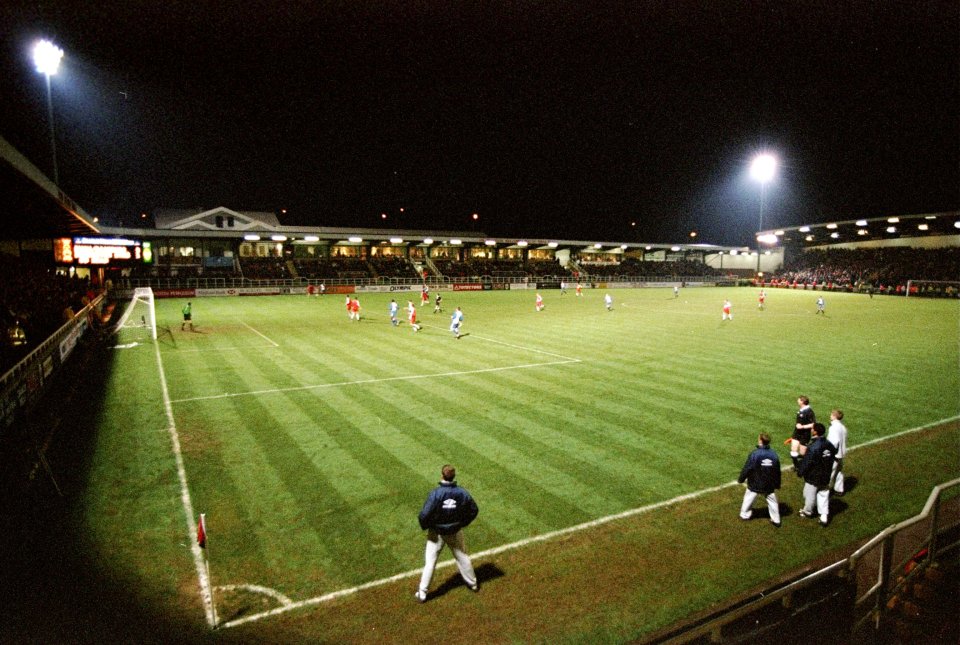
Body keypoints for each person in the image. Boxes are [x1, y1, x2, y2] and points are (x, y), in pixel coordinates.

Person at [416, 464, 479, 602]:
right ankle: (473, 584)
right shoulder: (462, 492)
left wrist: (428, 526)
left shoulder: (436, 494)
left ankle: (422, 592)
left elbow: (424, 515)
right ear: (453, 476)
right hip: (455, 532)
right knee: (463, 557)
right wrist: (462, 523)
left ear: (442, 475)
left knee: (430, 562)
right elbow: (474, 509)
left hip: (436, 533)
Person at [737, 433, 782, 527]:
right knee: (772, 500)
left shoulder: (755, 454)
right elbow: (777, 471)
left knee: (749, 498)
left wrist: (741, 479)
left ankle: (744, 514)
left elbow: (748, 468)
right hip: (769, 483)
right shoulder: (774, 454)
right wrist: (777, 484)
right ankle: (776, 519)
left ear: (761, 441)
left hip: (755, 482)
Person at [797, 423, 836, 527]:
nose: (811, 430)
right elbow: (833, 453)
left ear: (815, 432)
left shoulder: (813, 447)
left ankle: (807, 512)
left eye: (812, 429)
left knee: (809, 495)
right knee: (823, 494)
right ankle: (824, 516)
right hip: (826, 474)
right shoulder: (829, 444)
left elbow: (807, 461)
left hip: (814, 476)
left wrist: (800, 471)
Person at [788, 396, 816, 470]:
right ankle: (797, 466)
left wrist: (802, 427)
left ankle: (807, 464)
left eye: (799, 400)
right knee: (793, 449)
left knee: (802, 453)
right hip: (796, 433)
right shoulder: (801, 410)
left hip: (805, 434)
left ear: (802, 402)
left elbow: (813, 424)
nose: (797, 401)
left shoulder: (809, 412)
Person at [826, 409, 848, 496]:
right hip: (841, 454)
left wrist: (828, 454)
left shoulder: (833, 428)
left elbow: (833, 442)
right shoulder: (843, 427)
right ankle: (839, 489)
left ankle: (825, 491)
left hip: (834, 455)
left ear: (834, 416)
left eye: (831, 414)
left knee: (829, 473)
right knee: (839, 472)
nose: (830, 416)